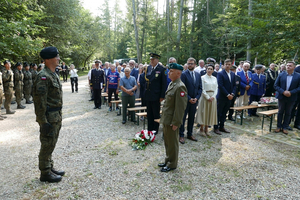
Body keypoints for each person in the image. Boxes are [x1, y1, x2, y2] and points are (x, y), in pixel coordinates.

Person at [33, 46, 65, 182]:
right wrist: (42, 121)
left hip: (56, 115)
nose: (58, 58)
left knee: (52, 143)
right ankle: (45, 172)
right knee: (47, 144)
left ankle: (49, 166)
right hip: (49, 118)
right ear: (48, 59)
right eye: (56, 56)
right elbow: (39, 102)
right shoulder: (43, 77)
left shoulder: (53, 74)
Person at [158, 63, 187, 172]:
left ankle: (172, 164)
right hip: (166, 118)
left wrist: (176, 122)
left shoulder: (180, 86)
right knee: (167, 141)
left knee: (173, 143)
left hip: (172, 120)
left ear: (178, 73)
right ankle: (168, 159)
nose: (168, 73)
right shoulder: (172, 84)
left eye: (171, 71)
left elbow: (180, 108)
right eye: (169, 71)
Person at [142, 53, 167, 134]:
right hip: (148, 94)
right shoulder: (148, 68)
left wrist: (162, 96)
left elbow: (164, 84)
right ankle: (150, 128)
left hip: (156, 95)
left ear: (157, 60)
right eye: (151, 59)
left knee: (156, 113)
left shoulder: (162, 69)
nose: (151, 61)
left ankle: (155, 129)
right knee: (149, 113)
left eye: (153, 59)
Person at [179, 58, 202, 144]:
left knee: (192, 118)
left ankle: (190, 133)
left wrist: (196, 98)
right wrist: (189, 98)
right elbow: (182, 89)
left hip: (195, 100)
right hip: (186, 100)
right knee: (183, 118)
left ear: (195, 64)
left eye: (191, 64)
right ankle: (181, 135)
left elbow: (200, 88)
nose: (190, 65)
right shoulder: (183, 74)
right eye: (188, 64)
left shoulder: (198, 74)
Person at [274, 61, 300, 135]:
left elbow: (299, 87)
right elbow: (276, 85)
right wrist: (283, 92)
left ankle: (285, 127)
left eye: (290, 66)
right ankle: (278, 126)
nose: (288, 67)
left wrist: (291, 92)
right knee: (280, 112)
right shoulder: (281, 74)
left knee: (288, 112)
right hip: (282, 96)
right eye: (287, 65)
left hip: (291, 97)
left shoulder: (298, 76)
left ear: (294, 67)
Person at [214, 59, 236, 135]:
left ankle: (222, 126)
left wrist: (232, 94)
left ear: (231, 65)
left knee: (224, 113)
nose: (227, 65)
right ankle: (216, 127)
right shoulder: (220, 73)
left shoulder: (233, 74)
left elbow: (234, 85)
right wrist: (227, 95)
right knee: (218, 112)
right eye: (226, 64)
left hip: (230, 97)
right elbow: (220, 85)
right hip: (222, 96)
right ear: (223, 65)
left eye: (229, 64)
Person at [195, 64, 218, 136]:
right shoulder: (202, 78)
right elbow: (202, 88)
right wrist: (208, 97)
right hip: (205, 97)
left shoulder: (214, 78)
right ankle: (201, 129)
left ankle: (206, 129)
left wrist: (213, 96)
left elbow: (216, 88)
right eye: (208, 69)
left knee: (209, 113)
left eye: (211, 69)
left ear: (213, 70)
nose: (209, 70)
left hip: (213, 97)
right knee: (203, 112)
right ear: (206, 69)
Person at [292, 64, 300, 130]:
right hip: (296, 92)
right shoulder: (297, 69)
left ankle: (297, 123)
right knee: (292, 107)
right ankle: (287, 123)